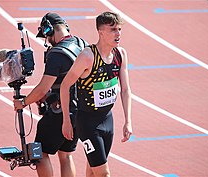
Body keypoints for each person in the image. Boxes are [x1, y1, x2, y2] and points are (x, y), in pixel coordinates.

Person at [13, 12, 88, 177]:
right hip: (78, 113)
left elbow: (42, 88)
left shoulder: (56, 54)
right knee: (66, 155)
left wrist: (24, 102)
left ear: (48, 29)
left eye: (46, 36)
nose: (47, 41)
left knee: (39, 152)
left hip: (59, 114)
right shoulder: (81, 44)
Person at [60, 11, 132, 177]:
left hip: (108, 120)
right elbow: (65, 86)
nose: (118, 33)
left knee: (93, 172)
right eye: (113, 29)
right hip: (87, 123)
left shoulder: (120, 54)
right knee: (103, 173)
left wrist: (128, 121)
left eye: (119, 29)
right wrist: (66, 120)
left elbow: (126, 90)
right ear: (101, 32)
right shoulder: (87, 56)